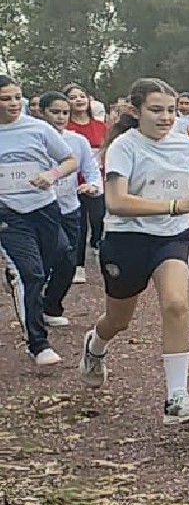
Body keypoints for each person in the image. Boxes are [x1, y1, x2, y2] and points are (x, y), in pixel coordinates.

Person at [81, 78, 189, 425]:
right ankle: (96, 345)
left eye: (171, 111)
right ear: (135, 111)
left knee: (176, 304)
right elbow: (116, 202)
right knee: (119, 320)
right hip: (127, 240)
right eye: (157, 110)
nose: (166, 118)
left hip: (173, 236)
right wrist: (174, 205)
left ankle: (177, 398)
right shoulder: (123, 147)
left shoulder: (183, 145)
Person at [0, 78, 80, 365]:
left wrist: (52, 175)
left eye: (16, 97)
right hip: (8, 214)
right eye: (4, 98)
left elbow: (71, 160)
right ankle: (38, 343)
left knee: (61, 255)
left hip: (44, 207)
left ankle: (32, 294)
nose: (11, 103)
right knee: (30, 274)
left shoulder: (38, 128)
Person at [37, 92, 101, 330]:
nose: (61, 117)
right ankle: (31, 304)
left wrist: (92, 186)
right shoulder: (33, 139)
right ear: (42, 113)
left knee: (68, 261)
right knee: (47, 257)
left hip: (69, 207)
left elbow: (92, 171)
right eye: (55, 112)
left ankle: (52, 306)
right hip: (39, 209)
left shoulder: (78, 141)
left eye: (65, 112)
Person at [64, 84, 107, 282]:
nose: (79, 100)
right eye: (73, 97)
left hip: (97, 180)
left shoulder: (100, 126)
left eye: (82, 96)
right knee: (78, 224)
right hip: (72, 183)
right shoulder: (65, 129)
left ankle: (97, 244)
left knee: (99, 218)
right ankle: (78, 265)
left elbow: (107, 150)